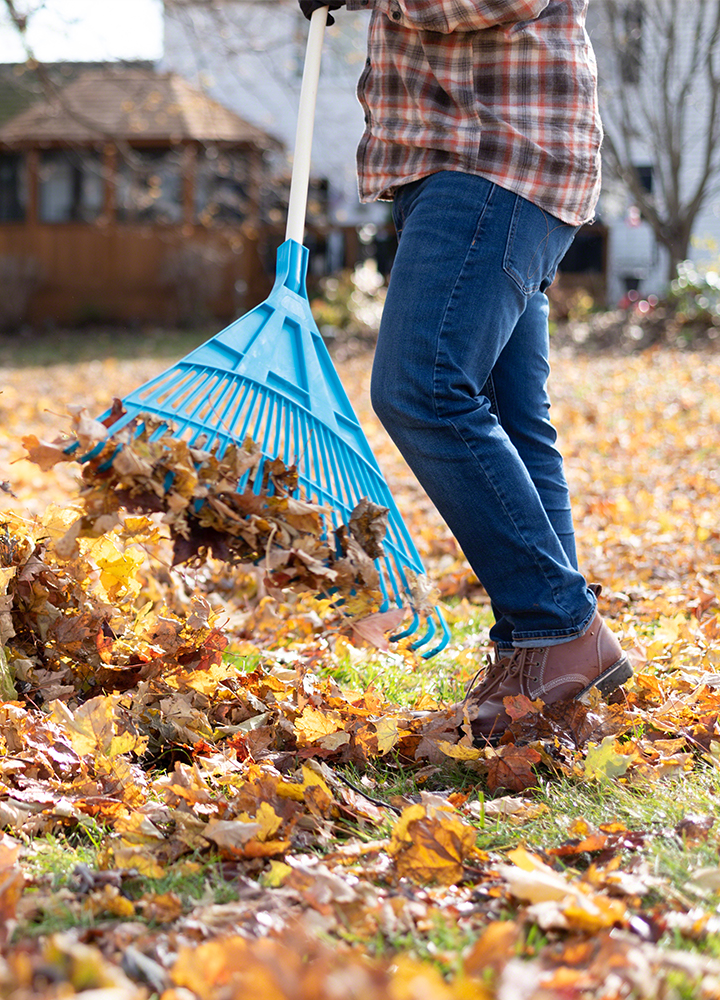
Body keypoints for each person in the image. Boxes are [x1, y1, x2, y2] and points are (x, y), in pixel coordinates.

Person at [297, 0, 631, 742]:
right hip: (462, 159)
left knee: (422, 386)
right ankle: (541, 658)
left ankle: (558, 626)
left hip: (495, 154)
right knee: (512, 416)